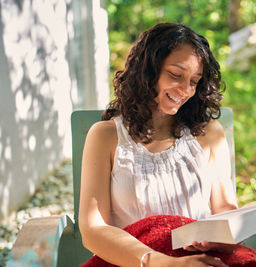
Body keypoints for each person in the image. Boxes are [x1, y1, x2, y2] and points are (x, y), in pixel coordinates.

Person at [79, 22, 239, 267]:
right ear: (148, 72)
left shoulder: (209, 135)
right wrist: (161, 263)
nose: (185, 90)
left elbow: (226, 209)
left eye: (194, 81)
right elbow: (92, 229)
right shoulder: (106, 136)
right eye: (175, 75)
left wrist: (222, 239)